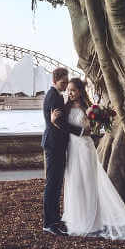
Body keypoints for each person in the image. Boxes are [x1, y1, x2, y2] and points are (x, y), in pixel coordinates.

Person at [56, 77, 125, 240]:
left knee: (89, 182)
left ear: (80, 92)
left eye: (73, 90)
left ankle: (92, 221)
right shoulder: (65, 108)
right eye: (69, 90)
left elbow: (91, 130)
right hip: (72, 148)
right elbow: (63, 127)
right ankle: (76, 220)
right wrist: (55, 121)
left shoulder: (88, 108)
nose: (70, 93)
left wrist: (93, 125)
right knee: (75, 182)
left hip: (85, 148)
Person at [41, 66, 86, 235]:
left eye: (67, 82)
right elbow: (59, 122)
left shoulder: (57, 96)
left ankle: (54, 219)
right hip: (54, 145)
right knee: (52, 184)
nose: (65, 85)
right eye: (63, 82)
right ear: (54, 81)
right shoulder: (54, 97)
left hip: (56, 145)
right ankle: (49, 222)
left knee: (56, 182)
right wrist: (80, 131)